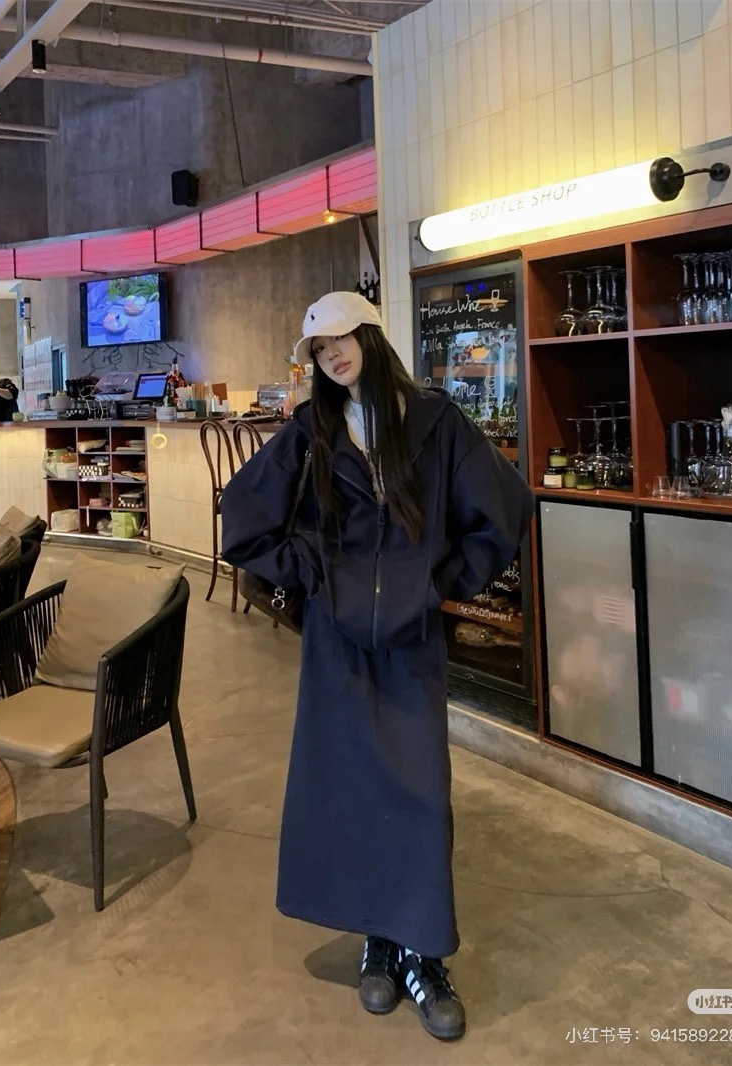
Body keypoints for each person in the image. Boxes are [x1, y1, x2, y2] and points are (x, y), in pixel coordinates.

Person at [221, 292, 533, 1042]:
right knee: (352, 790)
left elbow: (504, 510)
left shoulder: (435, 422)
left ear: (370, 335)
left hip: (412, 642)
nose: (331, 355)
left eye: (341, 339)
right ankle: (379, 939)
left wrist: (441, 582)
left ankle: (425, 952)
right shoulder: (312, 430)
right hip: (336, 643)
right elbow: (244, 518)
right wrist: (314, 573)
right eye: (318, 349)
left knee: (420, 796)